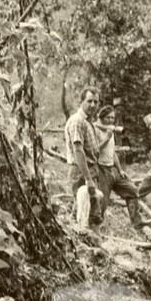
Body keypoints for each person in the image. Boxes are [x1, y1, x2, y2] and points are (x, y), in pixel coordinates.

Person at [94, 105, 145, 231]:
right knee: (103, 202)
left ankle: (136, 222)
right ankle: (96, 229)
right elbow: (94, 151)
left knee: (132, 190)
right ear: (101, 117)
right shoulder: (96, 130)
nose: (111, 120)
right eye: (108, 118)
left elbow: (112, 152)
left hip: (113, 169)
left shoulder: (110, 131)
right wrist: (106, 138)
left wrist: (120, 169)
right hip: (101, 169)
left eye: (113, 118)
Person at [64, 88, 102, 224]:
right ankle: (86, 243)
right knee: (85, 214)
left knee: (91, 212)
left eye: (96, 102)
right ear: (81, 102)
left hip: (90, 170)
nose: (93, 105)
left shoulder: (89, 122)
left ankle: (90, 242)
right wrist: (88, 178)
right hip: (81, 171)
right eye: (89, 101)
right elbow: (78, 150)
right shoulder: (77, 121)